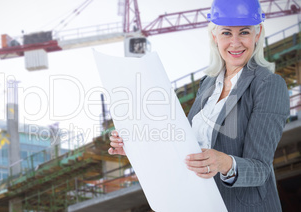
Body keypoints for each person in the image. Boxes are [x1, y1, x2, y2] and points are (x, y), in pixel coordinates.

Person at [108, 0, 290, 211]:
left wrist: (223, 162)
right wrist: (136, 146)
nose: (235, 42)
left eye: (244, 32)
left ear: (257, 35)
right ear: (214, 36)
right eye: (226, 33)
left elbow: (260, 169)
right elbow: (183, 148)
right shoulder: (208, 85)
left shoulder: (268, 85)